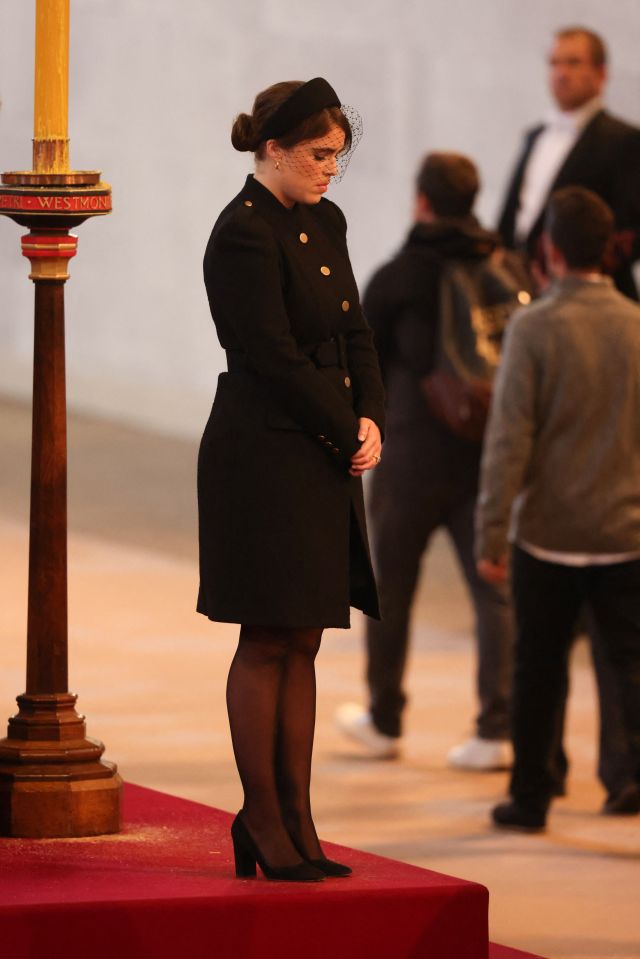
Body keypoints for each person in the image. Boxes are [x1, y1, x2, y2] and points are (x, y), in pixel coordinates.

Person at [197, 78, 386, 880]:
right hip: (265, 453)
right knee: (267, 635)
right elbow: (270, 355)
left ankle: (300, 820)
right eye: (318, 156)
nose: (329, 172)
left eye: (338, 159)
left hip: (324, 451)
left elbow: (352, 325)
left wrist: (372, 413)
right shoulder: (241, 234)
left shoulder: (325, 220)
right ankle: (263, 822)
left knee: (305, 635)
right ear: (271, 146)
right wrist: (343, 427)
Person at [336, 153, 526, 770]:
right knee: (492, 588)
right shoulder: (505, 268)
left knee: (391, 586)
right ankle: (496, 730)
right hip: (487, 453)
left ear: (421, 201)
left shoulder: (401, 275)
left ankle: (384, 719)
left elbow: (361, 361)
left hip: (414, 455)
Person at [476, 186, 640, 831]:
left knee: (539, 666)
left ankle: (533, 794)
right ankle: (631, 777)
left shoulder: (534, 327)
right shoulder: (635, 325)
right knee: (631, 664)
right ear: (609, 249)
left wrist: (491, 529)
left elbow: (509, 438)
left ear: (548, 250)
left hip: (546, 534)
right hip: (627, 533)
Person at [498, 26, 640, 299]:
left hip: (593, 304)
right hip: (525, 296)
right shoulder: (534, 136)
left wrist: (573, 276)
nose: (561, 73)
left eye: (573, 62)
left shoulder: (626, 141)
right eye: (554, 63)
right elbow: (512, 218)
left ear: (601, 74)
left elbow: (633, 231)